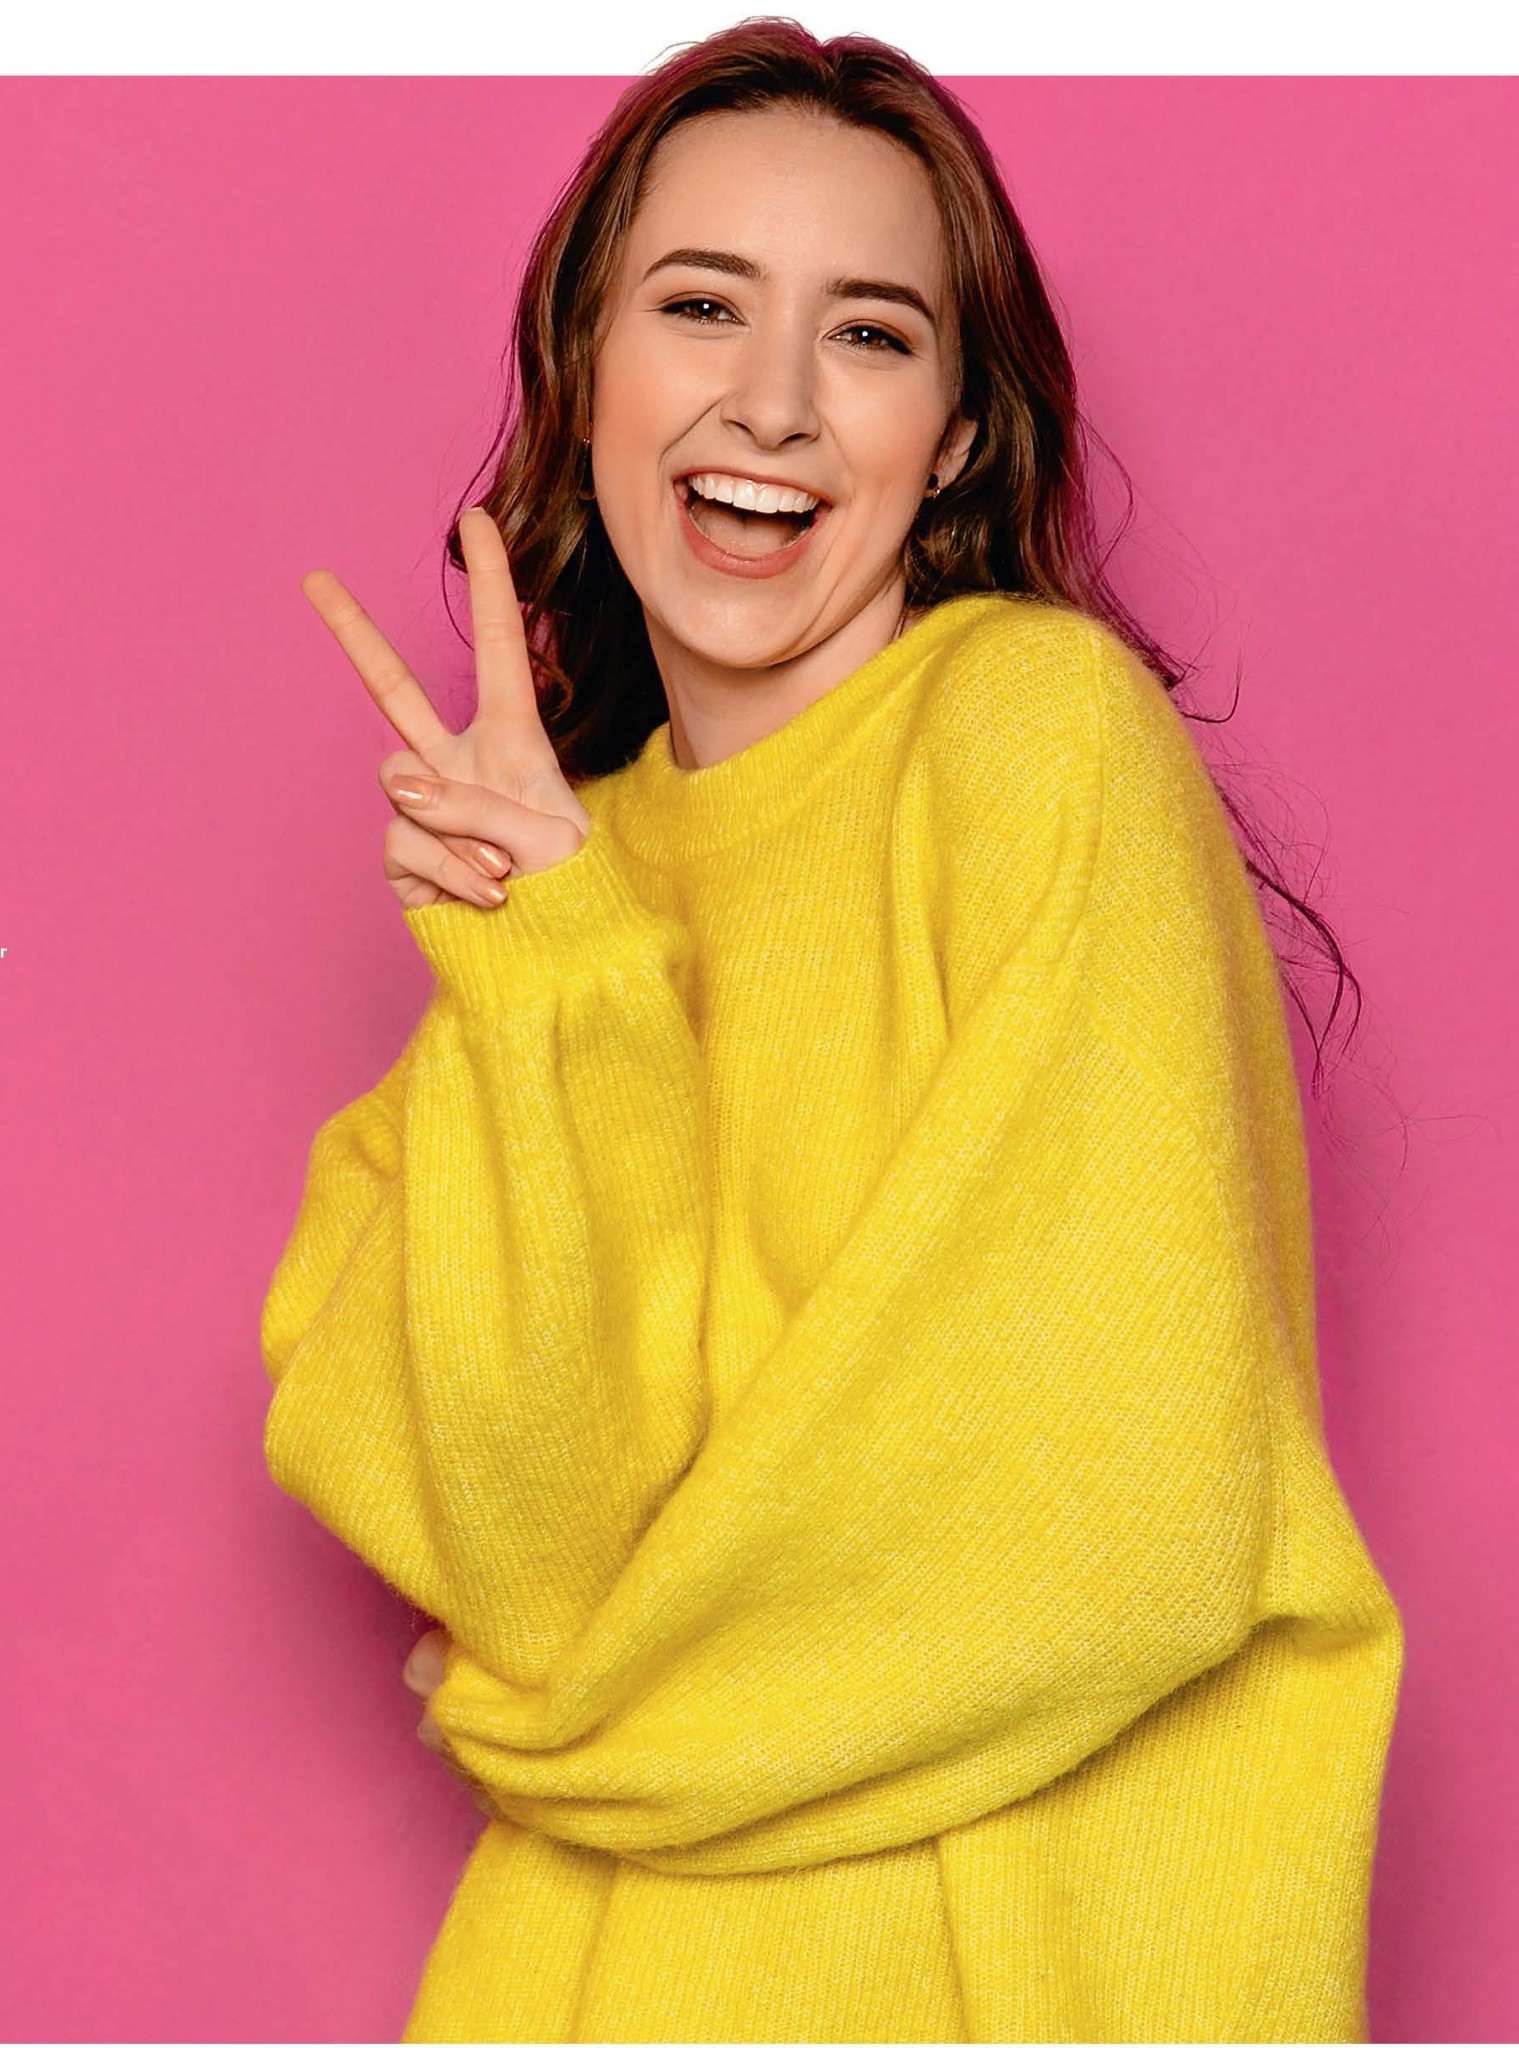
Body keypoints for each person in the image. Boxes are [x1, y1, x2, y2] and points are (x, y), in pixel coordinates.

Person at [260, 21, 1404, 2045]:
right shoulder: (565, 883)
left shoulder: (1034, 738)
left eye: (870, 335)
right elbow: (528, 1560)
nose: (773, 402)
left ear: (954, 436)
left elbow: (1100, 1508)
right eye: (701, 306)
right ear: (584, 366)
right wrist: (551, 972)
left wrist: (568, 1726)